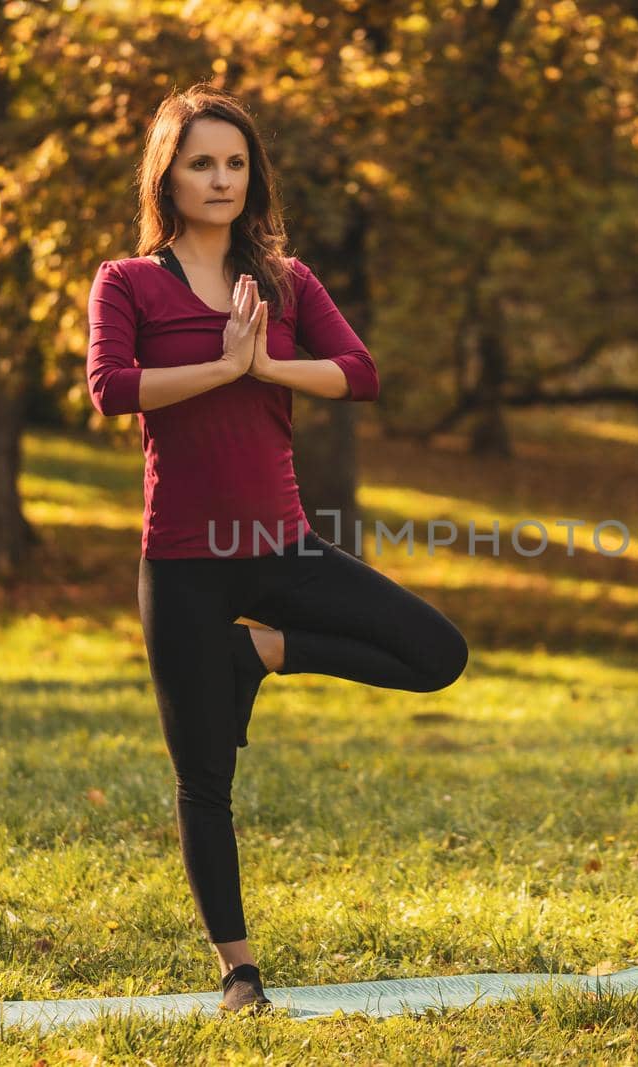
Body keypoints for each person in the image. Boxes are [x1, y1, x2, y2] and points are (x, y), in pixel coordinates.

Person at [85, 84, 469, 1015]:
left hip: (279, 545)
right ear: (166, 175)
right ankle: (239, 972)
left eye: (234, 163)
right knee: (202, 776)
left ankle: (262, 650)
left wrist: (263, 364)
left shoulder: (289, 283)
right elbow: (111, 388)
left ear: (251, 177)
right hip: (178, 561)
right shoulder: (126, 281)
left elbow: (362, 375)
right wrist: (219, 366)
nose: (219, 179)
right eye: (199, 162)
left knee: (437, 653)